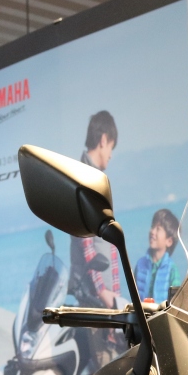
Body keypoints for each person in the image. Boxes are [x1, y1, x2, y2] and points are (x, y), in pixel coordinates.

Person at [72, 111, 121, 309]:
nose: (111, 155)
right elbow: (85, 240)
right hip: (94, 295)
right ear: (103, 140)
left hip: (101, 294)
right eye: (111, 147)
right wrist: (102, 291)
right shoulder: (85, 179)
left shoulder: (93, 177)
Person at [134, 209, 183, 303]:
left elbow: (176, 301)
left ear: (169, 241)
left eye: (158, 229)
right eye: (152, 227)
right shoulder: (140, 264)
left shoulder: (171, 269)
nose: (152, 232)